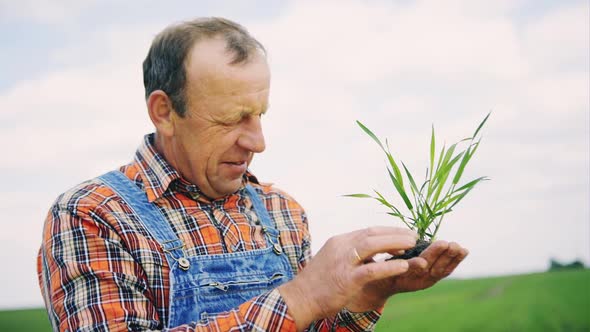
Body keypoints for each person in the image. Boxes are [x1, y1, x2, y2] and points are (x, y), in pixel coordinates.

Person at [37, 17, 468, 331]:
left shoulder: (283, 212)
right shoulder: (93, 215)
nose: (257, 142)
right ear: (165, 112)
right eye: (231, 119)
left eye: (259, 115)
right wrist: (302, 296)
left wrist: (364, 298)